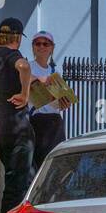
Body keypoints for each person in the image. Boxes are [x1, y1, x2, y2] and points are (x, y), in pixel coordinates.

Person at [0, 18, 35, 213]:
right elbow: (24, 67)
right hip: (17, 128)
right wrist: (25, 94)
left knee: (27, 179)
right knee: (19, 184)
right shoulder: (12, 56)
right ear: (17, 38)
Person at [27, 30, 70, 168]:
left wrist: (63, 103)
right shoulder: (28, 67)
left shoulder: (54, 72)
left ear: (52, 48)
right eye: (37, 43)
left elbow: (56, 102)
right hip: (36, 121)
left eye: (46, 44)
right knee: (39, 163)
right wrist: (38, 80)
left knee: (56, 163)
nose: (42, 47)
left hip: (54, 122)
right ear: (33, 47)